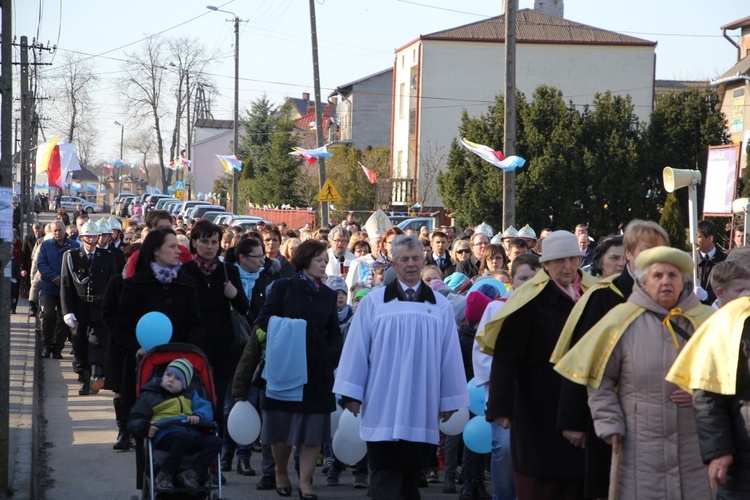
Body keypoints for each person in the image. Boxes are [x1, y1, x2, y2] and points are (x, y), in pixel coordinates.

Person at [556, 247, 714, 499]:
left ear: (684, 281)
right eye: (657, 275)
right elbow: (600, 379)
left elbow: (728, 375)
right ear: (643, 282)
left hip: (695, 447)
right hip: (639, 446)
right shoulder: (622, 320)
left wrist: (701, 393)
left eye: (673, 275)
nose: (665, 282)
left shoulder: (707, 321)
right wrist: (609, 423)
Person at [334, 235, 469, 500]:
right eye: (404, 259)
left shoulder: (439, 306)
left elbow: (450, 355)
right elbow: (357, 349)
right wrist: (351, 393)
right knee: (384, 472)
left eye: (415, 258)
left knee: (411, 474)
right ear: (394, 264)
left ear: (423, 261)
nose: (410, 264)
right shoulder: (375, 303)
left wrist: (450, 399)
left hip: (421, 401)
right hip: (381, 399)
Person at [550, 221, 668, 499]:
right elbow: (581, 356)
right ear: (629, 252)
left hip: (659, 414)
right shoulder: (604, 296)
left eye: (661, 249)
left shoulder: (671, 293)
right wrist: (573, 418)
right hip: (609, 413)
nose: (654, 256)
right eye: (646, 249)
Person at [477, 231, 599, 499]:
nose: (566, 267)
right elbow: (507, 355)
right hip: (538, 405)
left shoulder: (593, 296)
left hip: (583, 404)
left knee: (580, 481)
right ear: (546, 265)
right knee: (541, 482)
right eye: (559, 261)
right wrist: (501, 407)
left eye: (572, 259)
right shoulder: (529, 300)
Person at [256, 239, 342, 499]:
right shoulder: (283, 288)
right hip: (285, 366)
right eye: (319, 260)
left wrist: (330, 356)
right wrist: (294, 329)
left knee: (313, 429)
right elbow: (265, 319)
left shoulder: (327, 294)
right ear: (305, 261)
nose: (324, 265)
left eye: (326, 261)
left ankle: (306, 482)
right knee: (281, 426)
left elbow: (334, 334)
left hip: (317, 370)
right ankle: (281, 473)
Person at [666, 254, 750, 496]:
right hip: (743, 454)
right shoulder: (724, 325)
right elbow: (707, 395)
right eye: (742, 289)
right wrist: (719, 451)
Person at [181, 221, 248, 475]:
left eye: (214, 242)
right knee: (193, 403)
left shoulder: (229, 271)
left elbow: (244, 308)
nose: (209, 247)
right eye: (204, 241)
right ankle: (193, 458)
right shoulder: (184, 270)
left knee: (217, 405)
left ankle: (214, 462)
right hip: (193, 348)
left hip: (222, 350)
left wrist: (233, 294)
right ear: (194, 242)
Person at [473, 254, 540, 500]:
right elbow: (481, 352)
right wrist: (503, 379)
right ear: (512, 280)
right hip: (506, 394)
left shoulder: (548, 307)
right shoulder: (496, 308)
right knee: (504, 449)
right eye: (523, 278)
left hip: (538, 395)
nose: (529, 283)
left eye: (535, 278)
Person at [114, 228, 205, 411]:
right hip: (143, 364)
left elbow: (195, 323)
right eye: (172, 246)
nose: (178, 251)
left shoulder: (186, 283)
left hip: (179, 365)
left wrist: (188, 351)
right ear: (156, 250)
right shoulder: (135, 284)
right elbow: (122, 326)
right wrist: (135, 350)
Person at [127, 358, 222, 494]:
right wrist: (145, 427)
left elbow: (206, 408)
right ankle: (164, 475)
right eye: (168, 375)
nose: (171, 379)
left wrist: (199, 416)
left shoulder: (191, 396)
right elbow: (134, 419)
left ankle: (193, 474)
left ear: (185, 384)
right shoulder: (150, 396)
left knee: (216, 441)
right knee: (184, 438)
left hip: (189, 435)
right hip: (165, 435)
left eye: (177, 378)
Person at [230, 236, 279, 479]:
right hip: (231, 350)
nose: (262, 261)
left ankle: (244, 458)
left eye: (263, 256)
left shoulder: (267, 282)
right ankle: (229, 456)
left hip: (256, 351)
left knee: (253, 404)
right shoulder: (229, 278)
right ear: (242, 258)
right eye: (257, 257)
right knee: (234, 404)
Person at [61, 220, 117, 396]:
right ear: (82, 237)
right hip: (79, 308)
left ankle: (96, 374)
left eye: (95, 236)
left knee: (98, 343)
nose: (92, 239)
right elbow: (66, 285)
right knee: (79, 345)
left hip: (100, 307)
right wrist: (66, 310)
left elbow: (112, 283)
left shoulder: (107, 256)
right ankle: (84, 378)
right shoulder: (71, 256)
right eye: (88, 236)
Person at [36, 220, 79, 359]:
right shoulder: (46, 245)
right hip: (49, 288)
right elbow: (41, 264)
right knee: (48, 315)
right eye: (54, 230)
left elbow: (77, 266)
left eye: (59, 230)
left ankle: (57, 348)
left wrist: (66, 280)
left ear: (64, 230)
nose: (57, 233)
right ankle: (46, 345)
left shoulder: (74, 246)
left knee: (63, 319)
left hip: (66, 289)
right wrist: (54, 277)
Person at [696, 219, 728, 305]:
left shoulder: (725, 261)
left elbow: (728, 288)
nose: (695, 241)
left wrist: (708, 295)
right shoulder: (690, 260)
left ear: (710, 238)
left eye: (698, 237)